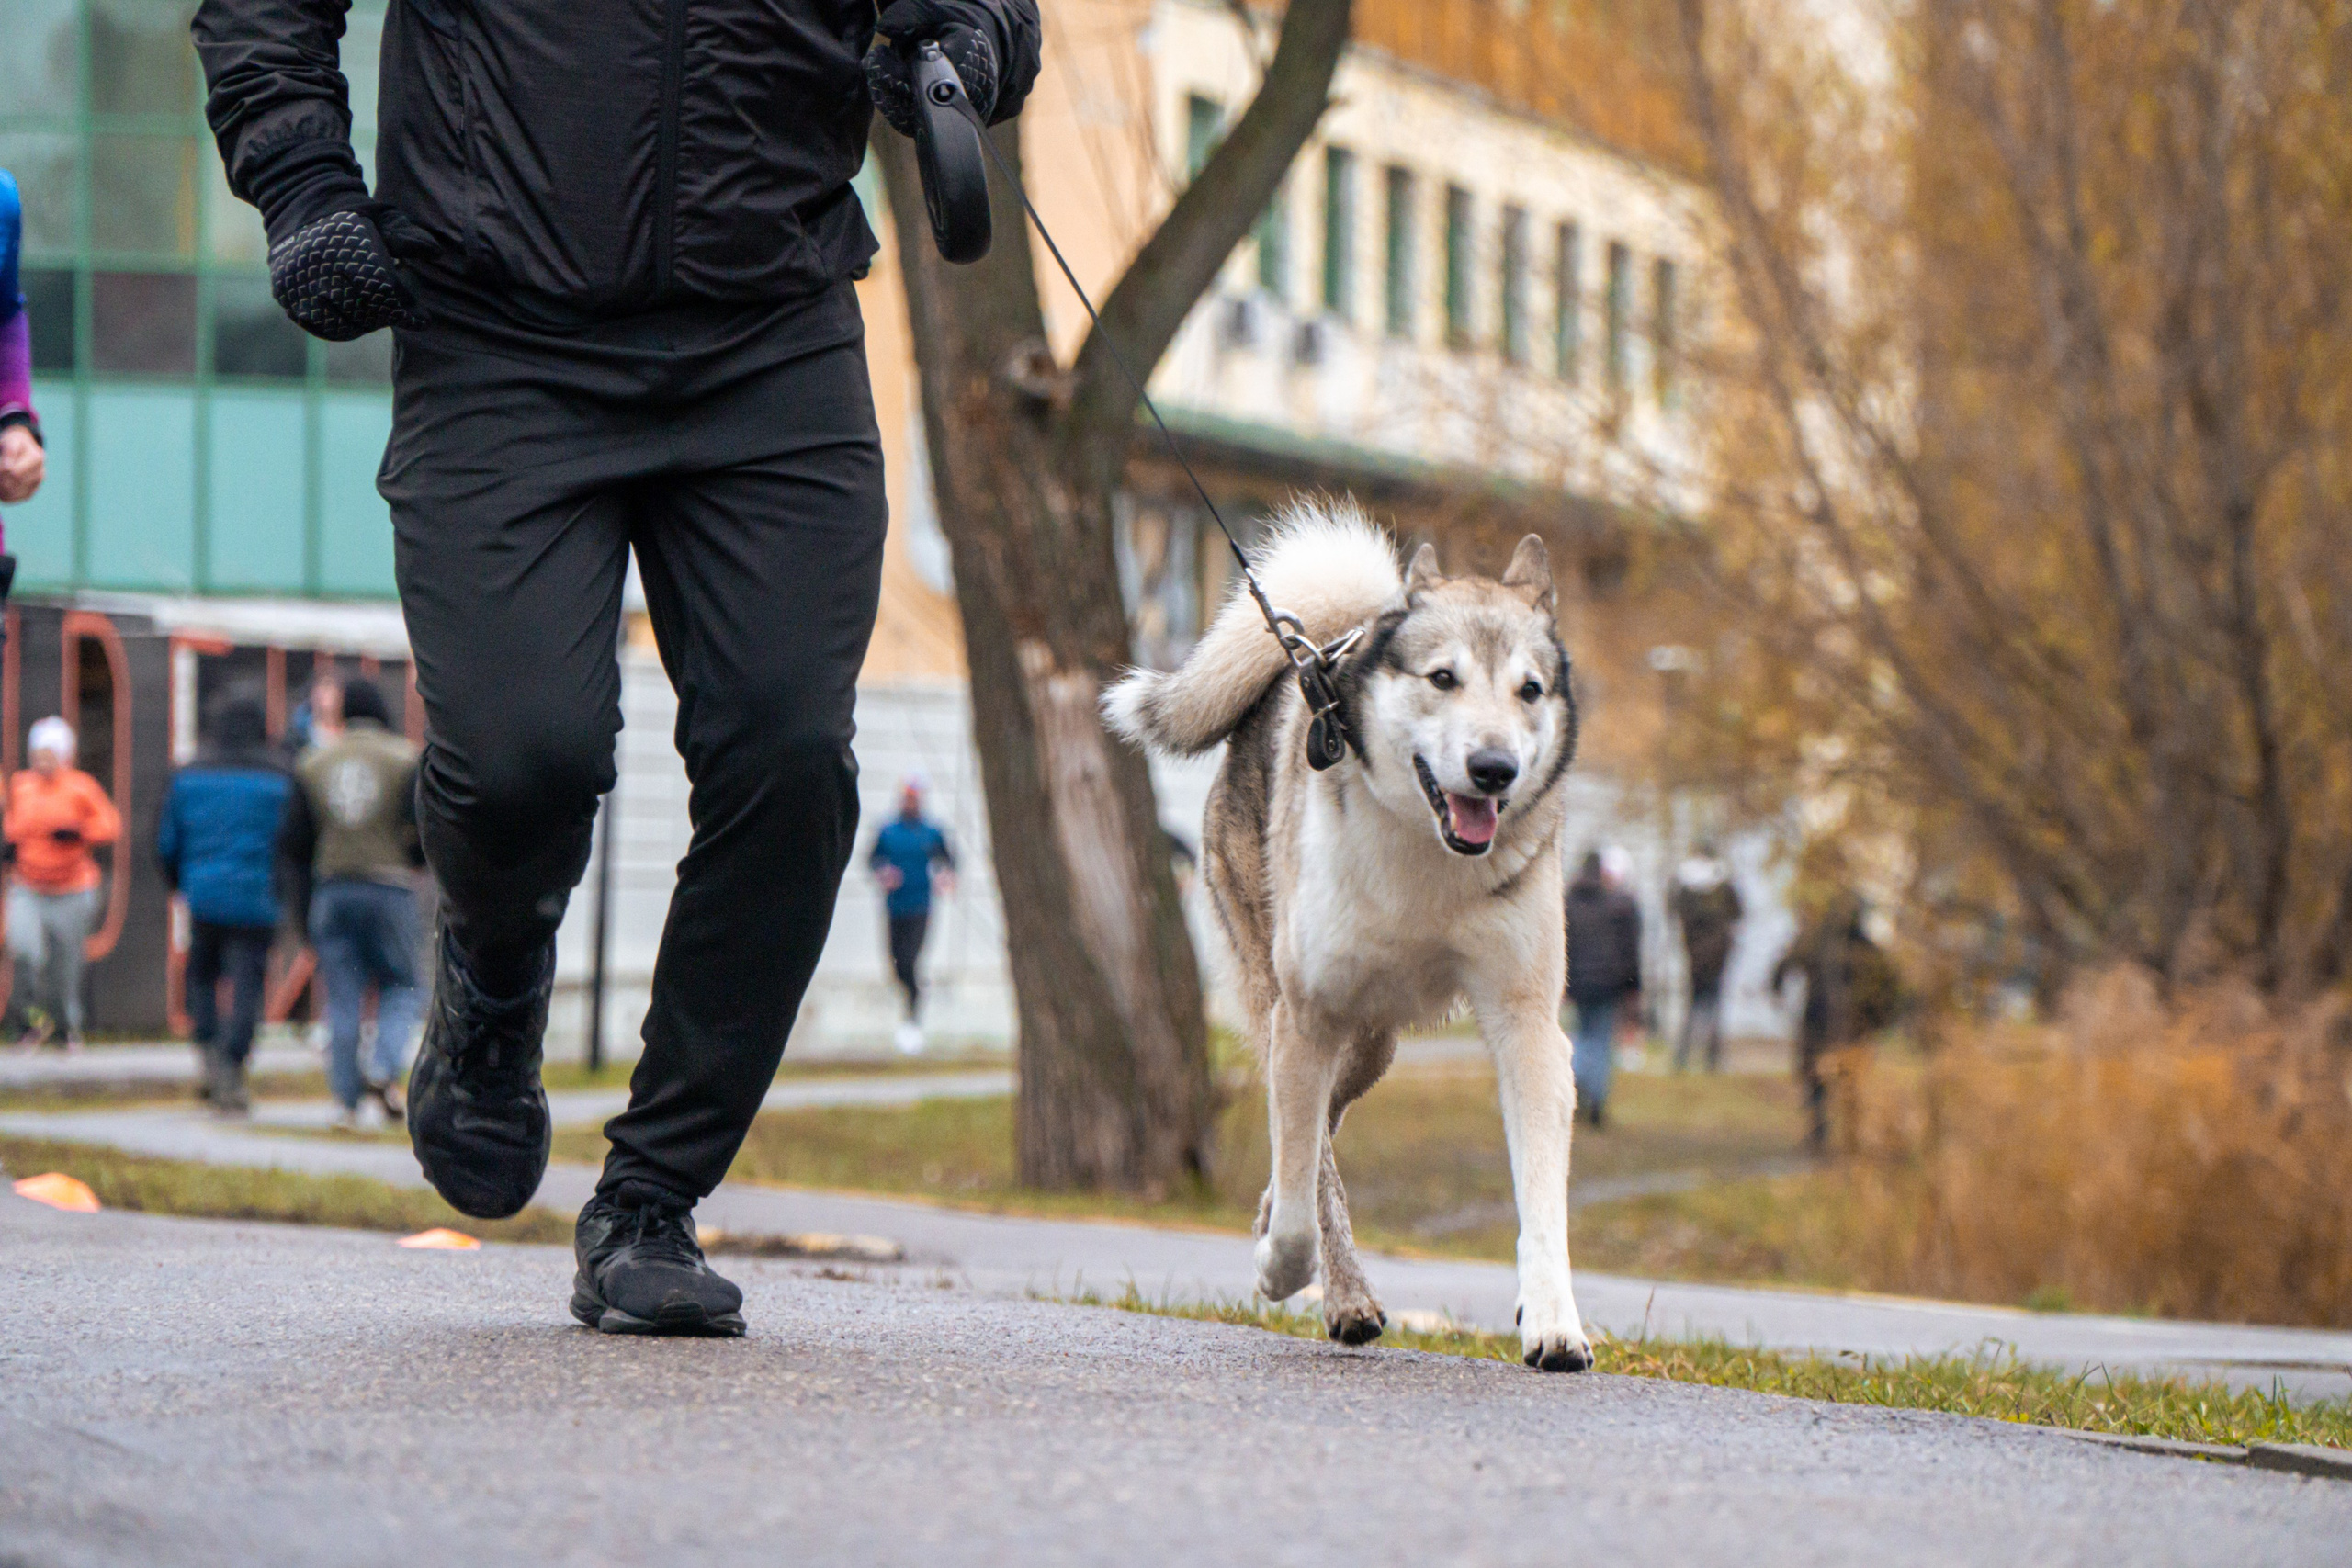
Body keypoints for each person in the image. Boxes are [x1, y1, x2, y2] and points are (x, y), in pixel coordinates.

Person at [196, 0, 1040, 1334]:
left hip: (771, 328)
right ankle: (492, 979)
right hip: (495, 326)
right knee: (526, 750)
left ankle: (650, 1194)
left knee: (791, 757)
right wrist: (302, 180)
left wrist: (970, 45)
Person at [277, 679, 424, 1130]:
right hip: (389, 887)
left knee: (341, 995)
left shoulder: (312, 762)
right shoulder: (406, 758)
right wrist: (414, 860)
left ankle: (346, 1101)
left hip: (333, 889)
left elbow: (295, 844)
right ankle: (382, 1068)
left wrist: (304, 913)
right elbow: (421, 826)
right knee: (402, 984)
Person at [158, 696, 292, 1113]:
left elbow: (166, 841)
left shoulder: (187, 774)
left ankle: (209, 1051)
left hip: (204, 895)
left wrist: (182, 883)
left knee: (201, 975)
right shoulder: (282, 776)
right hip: (259, 897)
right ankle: (234, 1061)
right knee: (249, 982)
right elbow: (294, 841)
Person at [5, 717, 119, 1050]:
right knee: (25, 949)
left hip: (72, 887)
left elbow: (109, 825)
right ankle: (28, 1021)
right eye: (38, 754)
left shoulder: (80, 787)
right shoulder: (19, 785)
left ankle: (66, 1028)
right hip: (28, 884)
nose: (42, 762)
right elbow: (14, 824)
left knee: (66, 962)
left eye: (49, 754)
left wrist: (79, 833)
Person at [1774, 895, 1901, 1154]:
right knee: (1841, 1089)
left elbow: (1782, 969)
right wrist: (1878, 1021)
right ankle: (1837, 1138)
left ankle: (1829, 1137)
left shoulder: (1819, 943)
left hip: (1830, 1029)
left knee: (1826, 1088)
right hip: (1843, 1029)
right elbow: (1891, 990)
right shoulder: (1866, 950)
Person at [867, 776, 956, 1055]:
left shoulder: (931, 831)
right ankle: (911, 1010)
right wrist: (883, 873)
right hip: (894, 906)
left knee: (909, 960)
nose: (910, 802)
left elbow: (949, 860)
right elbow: (872, 859)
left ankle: (912, 1023)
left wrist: (945, 876)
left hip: (921, 906)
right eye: (907, 797)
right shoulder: (888, 830)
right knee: (895, 964)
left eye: (915, 797)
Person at [1564, 849, 1642, 1128]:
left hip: (1578, 984)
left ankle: (1576, 1085)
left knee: (1583, 1037)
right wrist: (1634, 987)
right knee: (1601, 1042)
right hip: (1610, 985)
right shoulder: (1619, 904)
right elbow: (1631, 950)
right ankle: (1596, 1098)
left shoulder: (1568, 903)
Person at [1669, 842, 1744, 1073]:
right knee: (1714, 1006)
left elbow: (1673, 910)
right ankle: (1711, 1059)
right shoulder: (1724, 886)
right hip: (1718, 955)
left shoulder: (1686, 886)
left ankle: (1682, 1057)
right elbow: (1739, 913)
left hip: (1694, 955)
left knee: (1692, 1006)